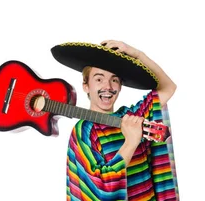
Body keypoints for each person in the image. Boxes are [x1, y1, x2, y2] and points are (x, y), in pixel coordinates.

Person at [50, 40, 179, 201]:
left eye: (114, 79)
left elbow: (168, 87)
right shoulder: (84, 132)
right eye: (99, 79)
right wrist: (131, 142)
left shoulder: (134, 116)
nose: (108, 86)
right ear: (86, 86)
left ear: (120, 86)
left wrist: (137, 54)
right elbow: (101, 190)